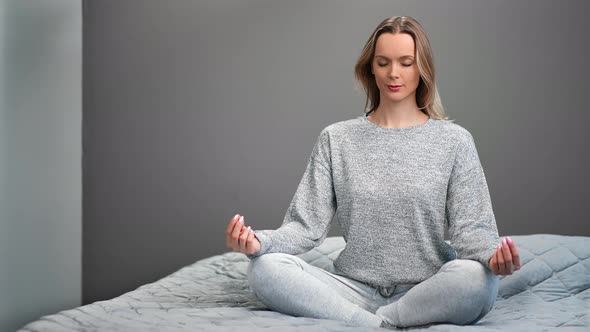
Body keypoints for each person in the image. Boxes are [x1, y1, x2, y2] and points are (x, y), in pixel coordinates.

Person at [224, 15, 521, 329]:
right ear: (370, 68)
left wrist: (493, 257)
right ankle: (374, 323)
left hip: (428, 289)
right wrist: (259, 243)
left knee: (479, 280)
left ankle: (374, 322)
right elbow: (304, 227)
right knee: (263, 269)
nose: (394, 73)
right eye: (383, 62)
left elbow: (473, 231)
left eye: (406, 63)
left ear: (423, 69)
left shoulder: (455, 141)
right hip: (351, 289)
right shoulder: (336, 139)